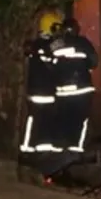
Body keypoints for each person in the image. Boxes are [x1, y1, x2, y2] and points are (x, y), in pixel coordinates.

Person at [48, 18, 99, 154]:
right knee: (80, 120)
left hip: (62, 92)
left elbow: (49, 66)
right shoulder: (84, 43)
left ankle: (61, 149)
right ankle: (76, 148)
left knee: (63, 119)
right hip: (81, 90)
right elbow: (94, 62)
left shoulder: (56, 44)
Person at [19, 11, 66, 155]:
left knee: (38, 122)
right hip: (44, 92)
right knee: (40, 122)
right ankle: (31, 149)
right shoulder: (49, 46)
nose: (59, 30)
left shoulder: (36, 45)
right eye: (57, 27)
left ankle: (35, 149)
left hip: (39, 91)